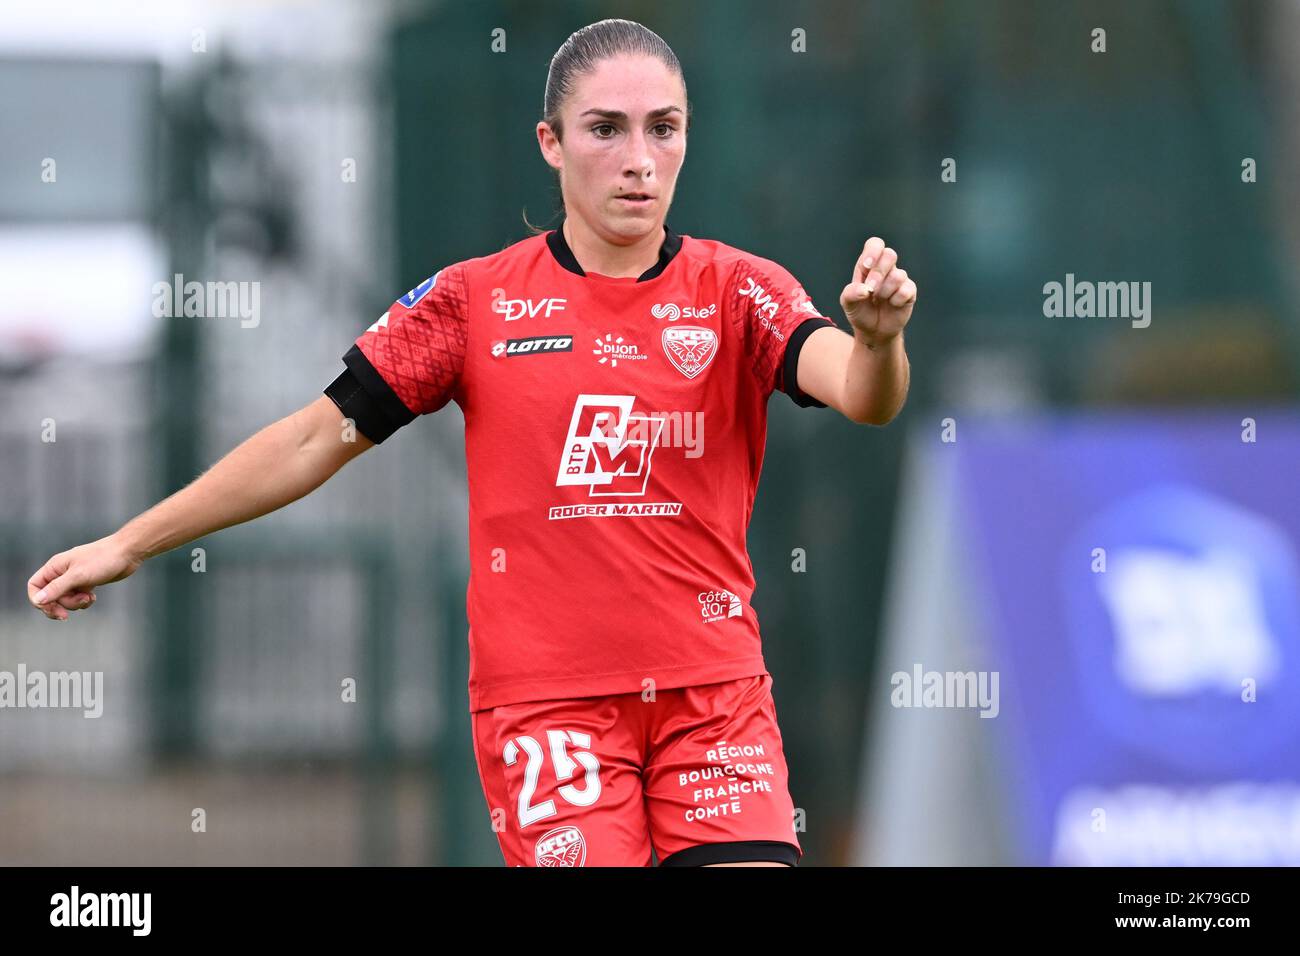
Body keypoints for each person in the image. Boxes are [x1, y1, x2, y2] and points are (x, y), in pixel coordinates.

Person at [27, 18, 915, 867]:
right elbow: (308, 441)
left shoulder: (738, 290)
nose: (640, 160)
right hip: (550, 713)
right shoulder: (471, 303)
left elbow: (862, 397)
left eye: (664, 128)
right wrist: (128, 543)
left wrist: (878, 340)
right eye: (605, 129)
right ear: (550, 142)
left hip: (715, 700)